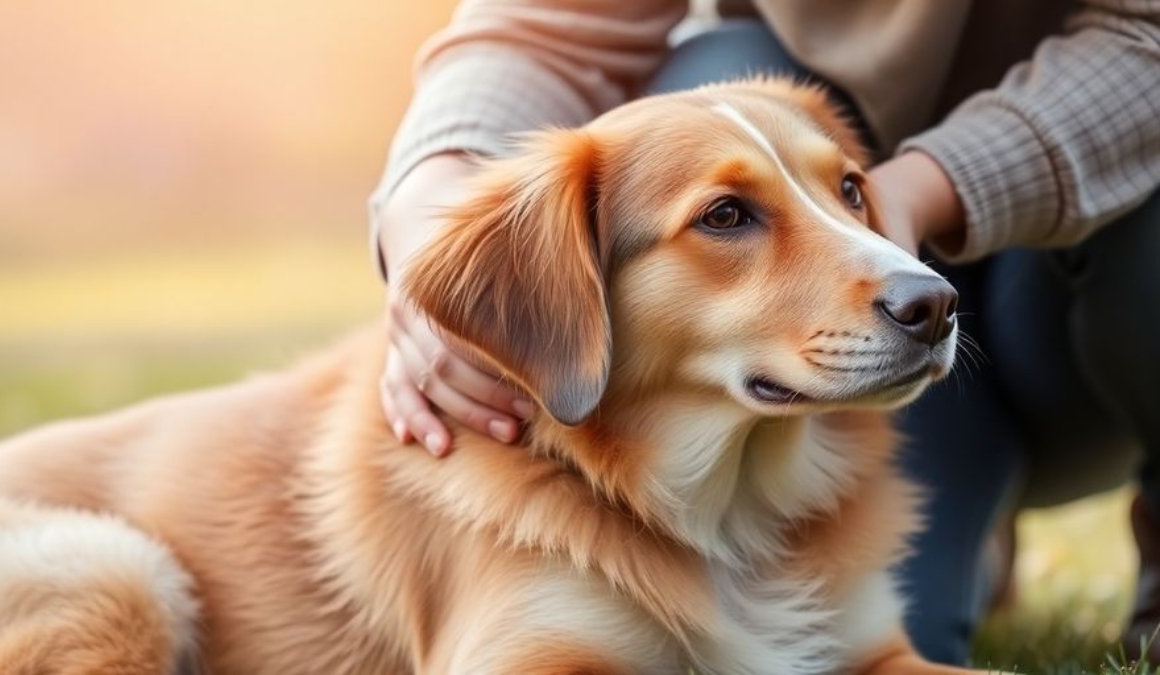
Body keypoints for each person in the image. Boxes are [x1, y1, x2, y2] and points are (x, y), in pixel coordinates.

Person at [370, 0, 1160, 665]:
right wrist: (426, 218)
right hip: (788, 389)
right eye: (726, 215)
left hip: (1095, 267)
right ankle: (973, 529)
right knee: (711, 67)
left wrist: (909, 196)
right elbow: (545, 22)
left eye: (842, 190)